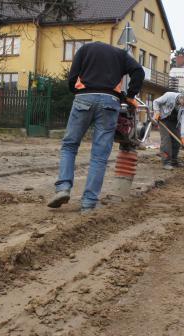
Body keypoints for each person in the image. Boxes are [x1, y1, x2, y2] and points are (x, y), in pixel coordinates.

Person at [47, 41, 144, 212]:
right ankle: (88, 203)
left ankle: (63, 188)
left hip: (85, 97)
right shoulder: (121, 54)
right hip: (109, 100)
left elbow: (72, 78)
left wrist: (77, 92)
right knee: (99, 155)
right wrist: (130, 96)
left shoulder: (84, 49)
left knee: (69, 146)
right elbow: (139, 72)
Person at [152, 90, 184, 170]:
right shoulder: (169, 96)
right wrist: (157, 112)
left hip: (174, 122)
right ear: (181, 97)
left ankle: (174, 160)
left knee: (177, 141)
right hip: (163, 120)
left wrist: (183, 136)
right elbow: (156, 102)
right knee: (166, 141)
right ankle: (166, 162)